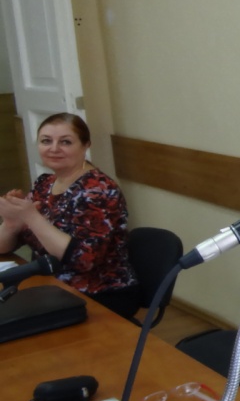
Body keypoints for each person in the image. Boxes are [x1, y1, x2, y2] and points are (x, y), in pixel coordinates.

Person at [0, 113, 139, 318]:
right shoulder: (44, 183)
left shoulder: (98, 190)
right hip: (50, 286)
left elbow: (83, 261)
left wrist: (31, 217)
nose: (54, 148)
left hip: (98, 293)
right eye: (46, 141)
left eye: (65, 142)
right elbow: (3, 248)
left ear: (85, 145)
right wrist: (11, 222)